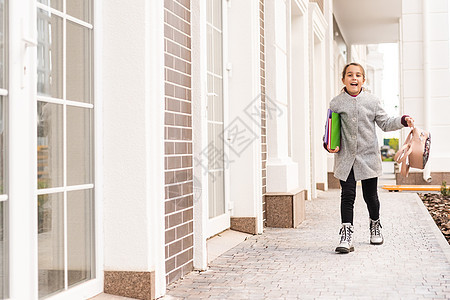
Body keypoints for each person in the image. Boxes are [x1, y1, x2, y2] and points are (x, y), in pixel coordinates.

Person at [325, 62, 414, 254]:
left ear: (363, 80)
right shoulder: (336, 103)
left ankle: (375, 224)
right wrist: (329, 145)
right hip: (346, 157)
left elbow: (385, 122)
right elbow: (330, 129)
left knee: (370, 196)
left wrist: (402, 120)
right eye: (349, 75)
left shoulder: (372, 101)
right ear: (343, 79)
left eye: (358, 75)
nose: (354, 78)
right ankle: (346, 234)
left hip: (368, 157)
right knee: (347, 195)